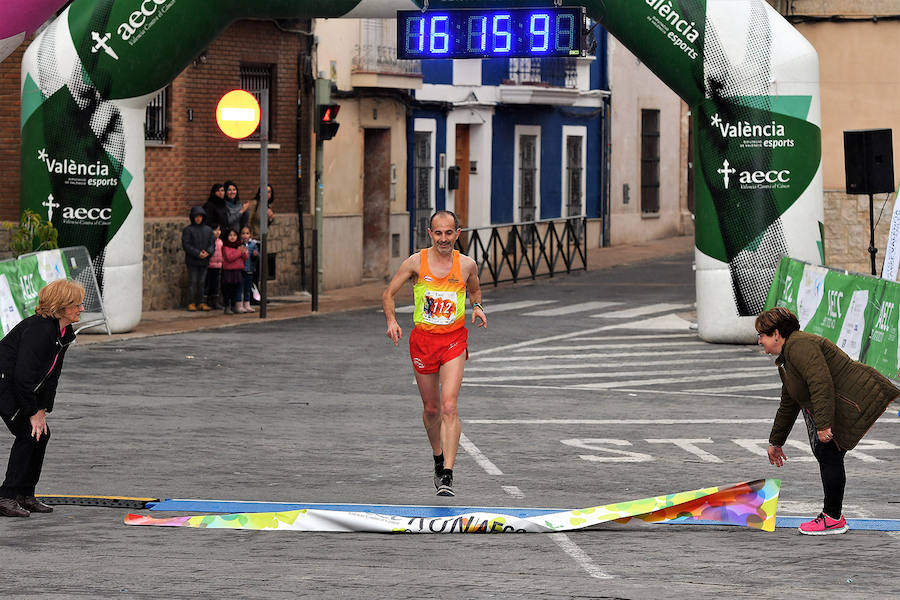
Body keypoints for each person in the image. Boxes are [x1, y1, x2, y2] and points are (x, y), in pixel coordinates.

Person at [757, 307, 899, 535]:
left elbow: (821, 383)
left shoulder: (800, 346)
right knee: (828, 453)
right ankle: (833, 516)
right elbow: (789, 403)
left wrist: (823, 425)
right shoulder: (788, 357)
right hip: (842, 403)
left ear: (776, 334)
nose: (759, 341)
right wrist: (776, 442)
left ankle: (832, 518)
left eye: (761, 335)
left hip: (855, 399)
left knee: (828, 452)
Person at [382, 210, 487, 497]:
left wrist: (478, 307)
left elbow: (475, 291)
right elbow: (388, 294)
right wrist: (392, 321)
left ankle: (448, 475)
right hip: (423, 342)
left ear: (458, 234)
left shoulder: (466, 265)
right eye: (438, 233)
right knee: (431, 409)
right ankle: (438, 458)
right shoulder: (416, 262)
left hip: (453, 341)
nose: (443, 238)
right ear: (430, 234)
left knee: (449, 406)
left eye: (449, 233)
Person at [0, 279, 85, 517]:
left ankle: (24, 495)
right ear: (61, 306)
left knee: (41, 434)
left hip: (18, 385)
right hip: (5, 383)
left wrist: (43, 410)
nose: (81, 309)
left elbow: (51, 375)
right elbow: (23, 377)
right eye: (77, 304)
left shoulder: (64, 332)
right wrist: (31, 412)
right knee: (28, 433)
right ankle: (5, 497)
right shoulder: (39, 331)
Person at [181, 205, 215, 311]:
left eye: (200, 216)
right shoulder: (188, 230)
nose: (198, 218)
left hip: (204, 260)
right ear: (192, 217)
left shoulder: (208, 230)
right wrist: (197, 253)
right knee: (193, 281)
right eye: (196, 216)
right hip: (193, 260)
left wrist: (208, 252)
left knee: (202, 282)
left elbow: (212, 244)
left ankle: (201, 302)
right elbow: (186, 245)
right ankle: (191, 302)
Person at [220, 228, 247, 315]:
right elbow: (229, 257)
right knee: (228, 289)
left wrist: (243, 252)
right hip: (228, 271)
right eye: (230, 235)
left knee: (236, 289)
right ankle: (227, 306)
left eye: (234, 235)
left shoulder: (239, 245)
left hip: (238, 271)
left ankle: (234, 306)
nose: (232, 237)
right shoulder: (225, 246)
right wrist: (239, 252)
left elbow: (245, 257)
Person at [239, 226, 259, 314]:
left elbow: (256, 256)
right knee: (240, 288)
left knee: (248, 288)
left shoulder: (253, 244)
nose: (245, 236)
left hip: (250, 269)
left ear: (250, 234)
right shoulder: (239, 245)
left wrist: (255, 255)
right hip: (241, 269)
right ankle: (239, 304)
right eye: (243, 233)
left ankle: (247, 304)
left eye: (247, 233)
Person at [204, 224, 224, 310]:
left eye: (219, 230)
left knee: (216, 284)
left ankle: (215, 301)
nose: (217, 232)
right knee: (208, 284)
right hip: (209, 265)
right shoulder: (208, 241)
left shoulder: (220, 242)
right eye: (215, 230)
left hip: (218, 266)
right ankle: (205, 301)